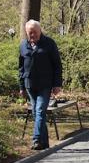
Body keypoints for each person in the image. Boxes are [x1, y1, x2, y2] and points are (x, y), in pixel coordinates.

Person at [18, 20, 63, 150]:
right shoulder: (23, 45)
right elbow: (21, 68)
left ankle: (36, 140)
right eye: (30, 33)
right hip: (29, 84)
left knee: (39, 110)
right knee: (36, 114)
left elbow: (57, 65)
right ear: (26, 32)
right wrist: (21, 86)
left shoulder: (49, 43)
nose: (32, 35)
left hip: (45, 84)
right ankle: (45, 143)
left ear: (40, 31)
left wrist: (57, 84)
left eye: (35, 32)